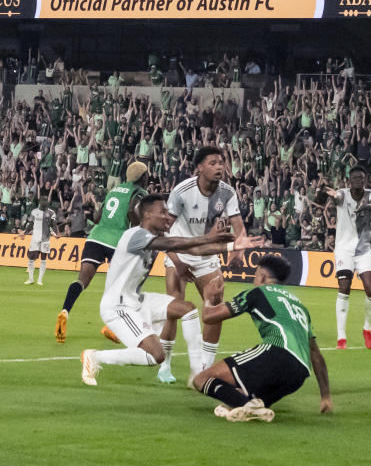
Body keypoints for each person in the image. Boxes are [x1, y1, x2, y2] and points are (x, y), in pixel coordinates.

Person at [80, 195, 258, 386]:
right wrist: (208, 237)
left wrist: (232, 246)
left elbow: (193, 251)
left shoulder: (155, 237)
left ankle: (197, 374)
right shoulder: (135, 235)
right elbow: (174, 244)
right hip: (118, 306)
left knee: (187, 309)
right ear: (147, 215)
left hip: (138, 300)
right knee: (156, 356)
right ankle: (95, 357)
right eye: (162, 212)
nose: (167, 216)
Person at [191, 256, 333, 422]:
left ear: (263, 277)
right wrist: (325, 397)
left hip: (277, 352)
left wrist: (209, 298)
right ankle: (250, 405)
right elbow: (315, 354)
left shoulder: (257, 292)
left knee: (201, 379)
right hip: (299, 373)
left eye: (256, 275)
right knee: (244, 394)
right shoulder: (299, 305)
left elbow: (209, 317)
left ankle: (245, 405)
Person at [165, 146, 249, 385]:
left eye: (221, 162)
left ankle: (205, 368)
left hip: (207, 256)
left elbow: (237, 223)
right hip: (179, 251)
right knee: (174, 309)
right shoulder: (182, 191)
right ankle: (166, 364)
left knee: (215, 308)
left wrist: (240, 248)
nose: (219, 167)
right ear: (199, 167)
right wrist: (177, 261)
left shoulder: (227, 192)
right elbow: (164, 229)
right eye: (212, 163)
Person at [56, 162, 149, 345]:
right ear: (142, 177)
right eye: (146, 175)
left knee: (82, 280)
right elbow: (131, 211)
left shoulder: (114, 190)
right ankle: (112, 328)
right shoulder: (140, 193)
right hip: (117, 241)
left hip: (96, 237)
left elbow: (97, 217)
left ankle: (65, 311)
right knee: (126, 287)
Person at [324, 166, 371, 350]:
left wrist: (366, 206)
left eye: (361, 177)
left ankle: (367, 328)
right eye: (355, 177)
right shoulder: (342, 194)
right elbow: (336, 197)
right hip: (343, 249)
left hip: (363, 249)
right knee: (344, 288)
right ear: (349, 180)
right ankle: (341, 338)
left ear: (365, 180)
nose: (358, 180)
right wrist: (330, 194)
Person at [19, 197, 59, 286]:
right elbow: (31, 224)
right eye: (42, 201)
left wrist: (56, 234)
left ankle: (40, 280)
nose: (44, 202)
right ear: (40, 202)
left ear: (47, 202)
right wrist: (24, 232)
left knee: (43, 259)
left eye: (45, 201)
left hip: (45, 239)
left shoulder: (51, 213)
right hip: (35, 238)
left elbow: (53, 224)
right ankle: (30, 279)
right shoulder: (34, 212)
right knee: (31, 259)